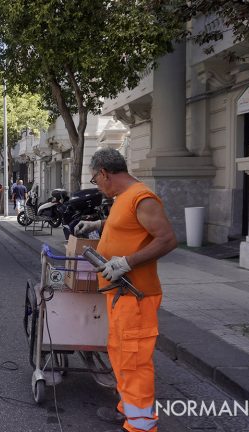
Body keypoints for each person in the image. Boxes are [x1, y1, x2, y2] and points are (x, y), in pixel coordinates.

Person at [74, 148, 177, 432]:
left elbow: (167, 239)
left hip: (136, 296)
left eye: (96, 179)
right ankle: (128, 411)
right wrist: (98, 224)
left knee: (133, 361)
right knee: (120, 354)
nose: (97, 185)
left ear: (105, 173)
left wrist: (126, 262)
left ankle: (141, 426)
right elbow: (128, 226)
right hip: (121, 296)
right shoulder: (124, 199)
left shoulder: (142, 197)